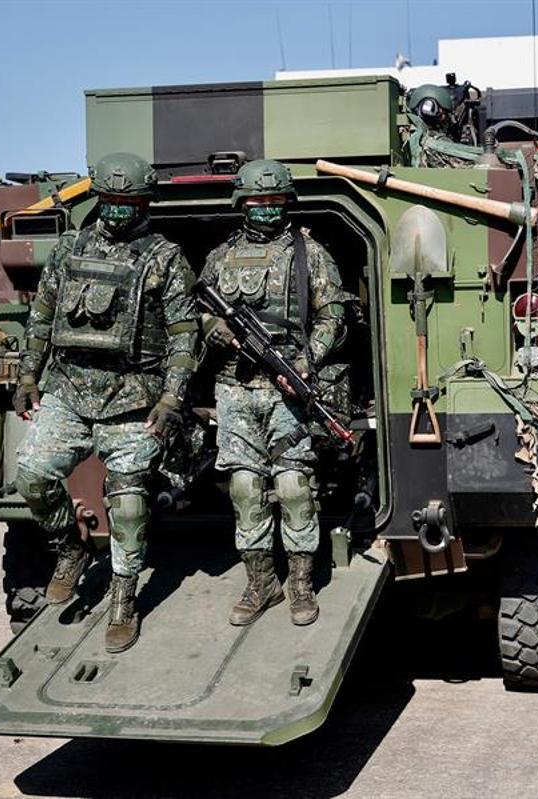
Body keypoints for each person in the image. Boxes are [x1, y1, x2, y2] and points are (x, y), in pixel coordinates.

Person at [13, 152, 199, 653]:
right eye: (110, 202)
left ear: (144, 203)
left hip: (134, 398)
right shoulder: (70, 248)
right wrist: (28, 374)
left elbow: (185, 335)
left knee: (129, 503)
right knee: (31, 476)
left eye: (128, 202)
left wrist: (171, 398)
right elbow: (42, 318)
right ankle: (70, 548)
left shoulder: (165, 258)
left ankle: (123, 596)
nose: (118, 212)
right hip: (69, 391)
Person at [200, 159, 346, 627]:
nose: (265, 210)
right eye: (257, 202)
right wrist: (215, 329)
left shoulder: (309, 253)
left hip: (288, 384)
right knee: (244, 487)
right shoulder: (220, 257)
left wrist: (305, 362)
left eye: (274, 202)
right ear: (241, 204)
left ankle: (300, 583)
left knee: (292, 486)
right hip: (235, 388)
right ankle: (261, 582)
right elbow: (194, 309)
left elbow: (333, 317)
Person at [403, 84, 479, 168]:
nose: (445, 120)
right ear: (430, 111)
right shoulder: (434, 141)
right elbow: (463, 165)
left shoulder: (408, 133)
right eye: (443, 114)